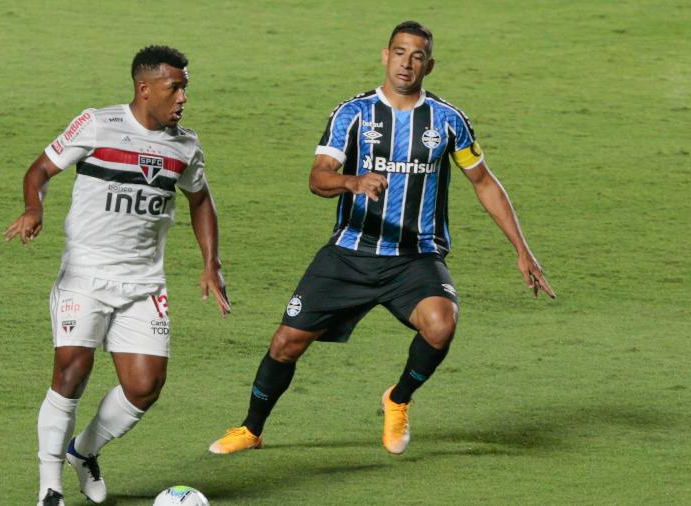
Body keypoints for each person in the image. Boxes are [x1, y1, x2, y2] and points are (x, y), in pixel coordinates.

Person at [209, 21, 554, 456]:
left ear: (429, 64)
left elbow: (484, 182)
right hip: (350, 253)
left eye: (416, 56)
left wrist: (522, 250)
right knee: (285, 344)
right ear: (384, 55)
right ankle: (251, 429)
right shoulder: (352, 114)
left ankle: (398, 399)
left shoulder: (448, 121)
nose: (406, 63)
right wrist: (352, 182)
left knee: (441, 324)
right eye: (399, 52)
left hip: (415, 257)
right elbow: (318, 178)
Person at [4, 45, 231, 506]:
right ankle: (49, 486)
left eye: (185, 87)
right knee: (72, 369)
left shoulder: (185, 144)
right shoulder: (96, 124)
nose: (183, 97)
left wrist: (211, 263)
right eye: (175, 87)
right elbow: (40, 169)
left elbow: (200, 199)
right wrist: (33, 207)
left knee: (146, 386)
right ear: (145, 88)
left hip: (144, 282)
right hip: (86, 274)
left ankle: (83, 451)